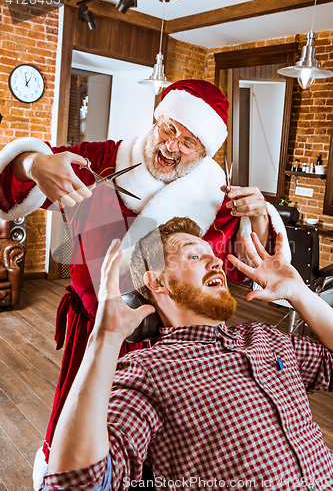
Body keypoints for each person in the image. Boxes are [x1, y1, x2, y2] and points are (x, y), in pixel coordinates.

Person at [0, 80, 289, 468]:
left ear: (206, 153)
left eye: (189, 142)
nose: (172, 146)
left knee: (158, 458)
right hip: (97, 333)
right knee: (77, 452)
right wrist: (33, 163)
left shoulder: (217, 198)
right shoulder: (99, 161)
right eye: (169, 129)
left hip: (174, 350)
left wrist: (255, 216)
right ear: (157, 120)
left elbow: (244, 270)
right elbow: (8, 188)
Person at [39, 216, 333, 491]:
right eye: (194, 256)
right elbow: (77, 483)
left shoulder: (265, 338)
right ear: (158, 283)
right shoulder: (147, 372)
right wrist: (103, 340)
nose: (216, 261)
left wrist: (299, 292)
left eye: (211, 253)